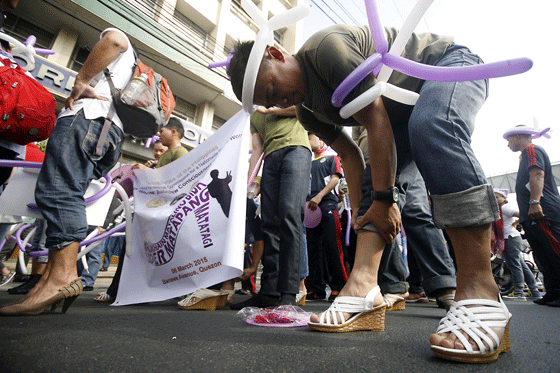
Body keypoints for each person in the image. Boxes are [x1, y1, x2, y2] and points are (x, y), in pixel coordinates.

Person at [228, 24, 508, 363]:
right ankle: (363, 286)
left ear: (276, 54)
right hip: (400, 115)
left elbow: (375, 119)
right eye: (270, 102)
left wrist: (385, 198)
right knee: (373, 186)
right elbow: (349, 156)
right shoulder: (306, 111)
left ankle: (481, 289)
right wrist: (366, 212)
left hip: (447, 65)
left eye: (273, 87)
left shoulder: (325, 49)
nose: (280, 101)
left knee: (433, 126)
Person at [0, 28, 135, 316]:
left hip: (88, 118)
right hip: (108, 129)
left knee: (59, 191)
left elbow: (115, 40)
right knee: (65, 192)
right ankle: (49, 280)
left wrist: (81, 80)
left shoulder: (116, 37)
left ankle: (61, 276)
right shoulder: (131, 66)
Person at [353, 125, 456, 310]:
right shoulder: (355, 115)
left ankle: (445, 284)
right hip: (372, 163)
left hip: (402, 153)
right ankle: (394, 286)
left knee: (416, 212)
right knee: (380, 217)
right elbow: (355, 144)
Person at [229, 108, 311, 309]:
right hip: (271, 158)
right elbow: (257, 148)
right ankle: (269, 291)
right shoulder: (254, 116)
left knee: (289, 214)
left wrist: (273, 109)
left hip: (297, 150)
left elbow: (303, 108)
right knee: (269, 222)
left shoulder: (283, 93)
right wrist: (248, 184)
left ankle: (289, 293)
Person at [505, 125, 560, 307]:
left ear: (519, 136)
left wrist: (535, 202)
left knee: (554, 251)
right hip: (531, 215)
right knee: (542, 254)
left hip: (542, 211)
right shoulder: (525, 155)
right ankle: (553, 292)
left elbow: (537, 174)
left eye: (509, 140)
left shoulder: (532, 149)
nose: (508, 145)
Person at [305, 133, 348, 301]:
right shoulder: (307, 162)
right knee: (313, 248)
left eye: (311, 137)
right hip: (310, 208)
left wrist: (319, 197)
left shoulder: (332, 158)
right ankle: (316, 288)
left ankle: (339, 285)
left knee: (333, 244)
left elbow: (335, 180)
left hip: (327, 204)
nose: (308, 141)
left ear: (321, 139)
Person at [493, 189, 542, 301]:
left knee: (514, 264)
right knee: (521, 265)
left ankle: (519, 291)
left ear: (504, 198)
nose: (494, 199)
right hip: (511, 238)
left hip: (510, 238)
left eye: (496, 197)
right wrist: (515, 223)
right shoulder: (500, 209)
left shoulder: (504, 207)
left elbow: (522, 214)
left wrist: (516, 223)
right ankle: (534, 291)